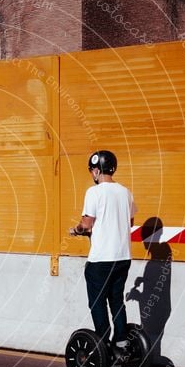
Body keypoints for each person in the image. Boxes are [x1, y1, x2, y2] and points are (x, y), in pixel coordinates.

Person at [70, 150, 137, 350]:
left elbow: (87, 222)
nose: (92, 174)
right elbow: (130, 221)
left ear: (97, 170)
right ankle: (122, 342)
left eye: (92, 171)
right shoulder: (126, 192)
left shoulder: (94, 192)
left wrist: (77, 229)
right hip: (123, 257)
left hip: (100, 260)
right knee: (116, 300)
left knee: (97, 302)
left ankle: (102, 342)